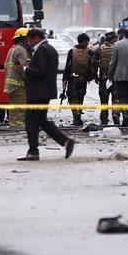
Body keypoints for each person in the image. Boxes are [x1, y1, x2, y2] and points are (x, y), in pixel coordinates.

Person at [18, 28, 76, 161]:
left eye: (30, 40)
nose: (29, 43)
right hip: (44, 91)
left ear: (36, 37)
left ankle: (33, 152)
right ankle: (66, 141)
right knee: (41, 120)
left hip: (38, 92)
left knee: (31, 121)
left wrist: (25, 68)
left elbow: (42, 71)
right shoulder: (50, 48)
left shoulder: (42, 49)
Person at [61, 33, 93, 126]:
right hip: (83, 78)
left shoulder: (72, 51)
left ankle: (75, 115)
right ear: (84, 41)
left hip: (72, 78)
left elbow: (68, 66)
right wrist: (91, 76)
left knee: (72, 97)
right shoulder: (89, 51)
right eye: (87, 41)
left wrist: (64, 79)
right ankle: (78, 114)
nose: (88, 43)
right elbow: (92, 65)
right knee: (80, 97)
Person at [3, 28, 29, 128]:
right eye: (27, 38)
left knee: (14, 107)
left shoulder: (12, 49)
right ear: (23, 38)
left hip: (11, 85)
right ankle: (18, 127)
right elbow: (22, 68)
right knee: (20, 107)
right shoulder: (21, 50)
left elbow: (6, 65)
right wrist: (29, 79)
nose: (28, 40)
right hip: (19, 84)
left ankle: (14, 125)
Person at [92, 31, 119, 125]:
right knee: (116, 98)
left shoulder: (99, 49)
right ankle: (115, 114)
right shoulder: (116, 48)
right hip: (115, 78)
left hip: (103, 79)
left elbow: (94, 63)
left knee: (104, 99)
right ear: (113, 39)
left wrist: (95, 76)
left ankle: (104, 118)